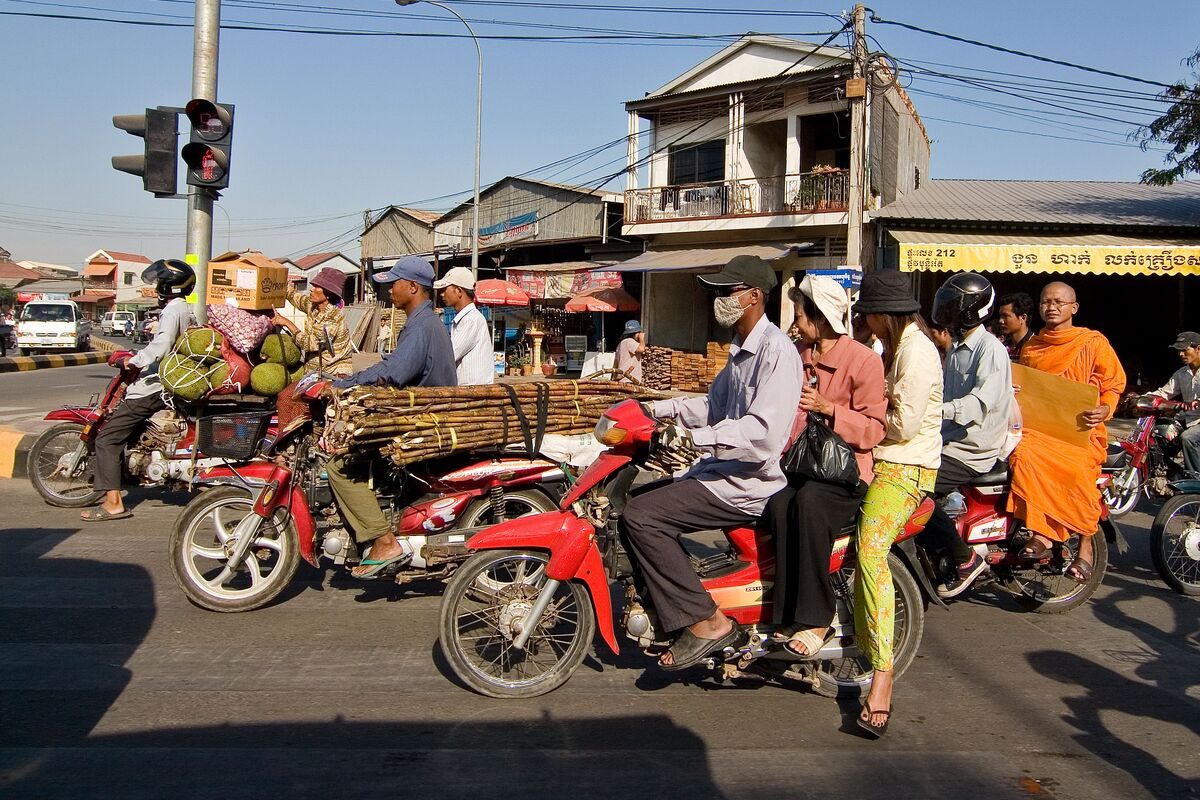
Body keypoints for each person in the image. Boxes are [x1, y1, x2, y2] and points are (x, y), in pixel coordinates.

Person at [621, 255, 803, 671]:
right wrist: (656, 410)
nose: (719, 299)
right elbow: (713, 405)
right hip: (720, 472)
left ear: (754, 296)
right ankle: (662, 600)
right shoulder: (740, 350)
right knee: (634, 499)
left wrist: (693, 439)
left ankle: (708, 622)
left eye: (728, 290)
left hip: (748, 483)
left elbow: (762, 435)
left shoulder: (776, 352)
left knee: (643, 516)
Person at [768, 274, 886, 658]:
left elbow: (873, 429)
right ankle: (786, 613)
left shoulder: (864, 361)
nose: (795, 325)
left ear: (820, 319)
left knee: (809, 505)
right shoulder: (799, 355)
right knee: (779, 504)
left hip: (844, 471)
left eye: (800, 316)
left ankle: (819, 616)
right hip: (801, 463)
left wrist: (829, 409)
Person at [850, 271, 943, 739]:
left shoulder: (917, 352)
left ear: (884, 314)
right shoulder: (897, 346)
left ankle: (882, 677)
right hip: (881, 461)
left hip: (903, 470)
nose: (863, 320)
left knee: (870, 551)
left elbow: (902, 425)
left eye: (867, 313)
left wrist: (849, 413)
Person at [324, 256, 457, 578]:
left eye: (394, 283)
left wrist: (343, 384)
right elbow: (390, 366)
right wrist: (348, 379)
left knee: (340, 466)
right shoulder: (421, 323)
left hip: (422, 424)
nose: (388, 290)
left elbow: (393, 374)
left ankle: (384, 541)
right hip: (422, 416)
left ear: (413, 287)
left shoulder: (422, 326)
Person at [1007, 281, 1126, 583]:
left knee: (1077, 473)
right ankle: (1041, 533)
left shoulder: (1092, 343)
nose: (1052, 307)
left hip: (1081, 433)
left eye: (1059, 302)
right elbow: (1031, 391)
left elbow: (1113, 385)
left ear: (1074, 308)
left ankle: (1085, 545)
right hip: (1041, 431)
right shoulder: (1033, 347)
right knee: (1022, 455)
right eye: (1046, 301)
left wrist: (1105, 408)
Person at [922, 272, 1015, 598]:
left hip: (971, 449)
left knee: (914, 490)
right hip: (947, 439)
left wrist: (935, 410)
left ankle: (965, 558)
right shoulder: (957, 347)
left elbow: (977, 404)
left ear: (971, 309)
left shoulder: (990, 351)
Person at [81, 259, 196, 522]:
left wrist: (133, 360)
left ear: (170, 285)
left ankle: (113, 504)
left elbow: (162, 346)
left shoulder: (172, 311)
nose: (157, 288)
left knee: (107, 439)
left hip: (153, 387)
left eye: (160, 283)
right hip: (166, 381)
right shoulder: (184, 310)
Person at [274, 267, 353, 378]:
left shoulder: (332, 318)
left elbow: (310, 344)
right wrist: (280, 283)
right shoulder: (313, 306)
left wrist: (287, 323)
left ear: (328, 294)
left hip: (334, 372)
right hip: (315, 370)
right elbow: (295, 298)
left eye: (317, 287)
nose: (311, 289)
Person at [1147, 331, 1200, 473]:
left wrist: (1186, 405)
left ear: (1198, 348)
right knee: (1160, 431)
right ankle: (1171, 474)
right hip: (1188, 419)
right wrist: (1141, 398)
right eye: (1179, 351)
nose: (1181, 354)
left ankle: (1195, 482)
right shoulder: (1182, 373)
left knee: (1188, 438)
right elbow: (1164, 392)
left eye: (1185, 350)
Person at [434, 266, 494, 386]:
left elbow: (449, 355)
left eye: (445, 289)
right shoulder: (465, 319)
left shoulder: (471, 320)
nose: (441, 294)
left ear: (459, 291)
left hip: (473, 395)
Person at [997, 291, 1035, 361]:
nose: (1000, 321)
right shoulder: (1000, 347)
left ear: (1023, 318)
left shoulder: (1035, 347)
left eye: (1005, 316)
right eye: (1000, 316)